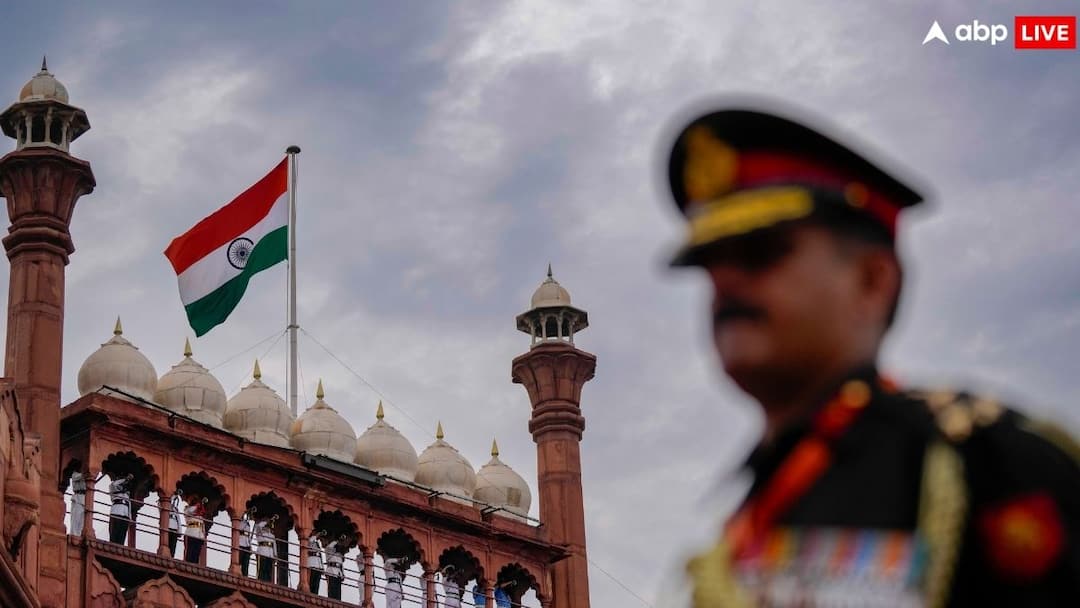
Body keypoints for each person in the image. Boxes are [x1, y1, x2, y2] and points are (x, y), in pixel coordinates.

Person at [661, 102, 1080, 606]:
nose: (724, 282)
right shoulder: (752, 505)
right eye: (710, 261)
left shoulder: (982, 465)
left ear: (872, 281)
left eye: (760, 253)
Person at [107, 473, 133, 544]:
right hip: (116, 511)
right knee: (114, 533)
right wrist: (126, 479)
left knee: (122, 534)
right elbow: (115, 484)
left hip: (125, 514)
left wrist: (130, 517)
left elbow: (129, 504)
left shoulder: (126, 494)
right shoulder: (113, 487)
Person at [182, 495, 206, 563]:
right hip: (191, 533)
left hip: (199, 535)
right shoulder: (188, 509)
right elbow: (191, 511)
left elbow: (203, 525)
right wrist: (198, 505)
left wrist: (203, 536)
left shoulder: (199, 514)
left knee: (196, 554)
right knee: (189, 553)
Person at [253, 514, 277, 582]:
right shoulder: (260, 531)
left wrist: (275, 555)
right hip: (262, 552)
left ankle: (268, 582)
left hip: (270, 554)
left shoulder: (271, 534)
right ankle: (260, 581)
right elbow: (258, 526)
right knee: (261, 569)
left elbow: (274, 545)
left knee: (269, 570)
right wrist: (266, 521)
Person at [324, 533, 346, 600]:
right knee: (331, 590)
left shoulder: (339, 555)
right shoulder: (329, 552)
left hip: (338, 573)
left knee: (338, 592)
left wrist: (343, 574)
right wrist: (337, 540)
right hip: (331, 571)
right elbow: (329, 547)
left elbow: (341, 565)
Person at [306, 529, 325, 594]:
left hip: (318, 564)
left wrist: (322, 567)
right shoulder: (308, 539)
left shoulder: (317, 543)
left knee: (317, 583)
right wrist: (317, 535)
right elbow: (310, 541)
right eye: (315, 532)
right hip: (312, 563)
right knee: (311, 581)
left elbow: (320, 555)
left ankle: (315, 594)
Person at [69, 470, 86, 537]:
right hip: (77, 498)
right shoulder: (75, 474)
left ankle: (78, 535)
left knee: (82, 520)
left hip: (84, 498)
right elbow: (82, 476)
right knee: (76, 519)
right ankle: (74, 535)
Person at [167, 488, 183, 557]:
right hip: (168, 526)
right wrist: (173, 495)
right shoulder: (166, 506)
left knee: (173, 547)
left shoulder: (176, 510)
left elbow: (179, 520)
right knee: (167, 544)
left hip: (175, 528)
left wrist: (179, 531)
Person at [237, 510, 253, 576]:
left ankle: (245, 575)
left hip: (247, 544)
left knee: (246, 563)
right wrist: (246, 522)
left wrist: (250, 545)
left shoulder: (247, 523)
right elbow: (240, 529)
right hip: (240, 543)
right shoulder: (239, 522)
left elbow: (248, 535)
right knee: (239, 561)